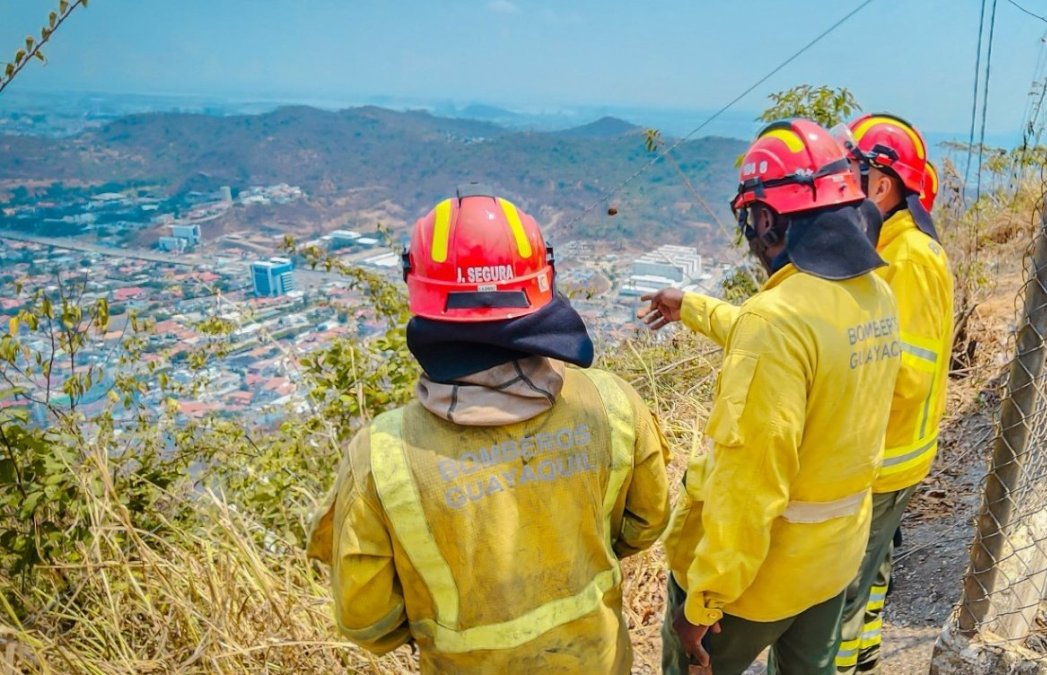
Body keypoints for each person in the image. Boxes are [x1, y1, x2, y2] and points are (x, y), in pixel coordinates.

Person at [307, 185, 672, 674]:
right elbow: (647, 522)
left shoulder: (382, 454)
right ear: (544, 280)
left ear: (418, 292)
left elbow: (366, 620)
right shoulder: (610, 402)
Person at [640, 119, 902, 675]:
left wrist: (704, 600)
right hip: (832, 563)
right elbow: (798, 347)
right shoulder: (874, 295)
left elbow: (749, 484)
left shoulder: (777, 322)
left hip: (754, 587)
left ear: (766, 218)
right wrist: (689, 306)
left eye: (750, 222)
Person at [828, 113, 954, 674]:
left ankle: (842, 662)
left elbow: (907, 375)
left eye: (850, 175)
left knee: (843, 584)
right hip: (889, 452)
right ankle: (866, 658)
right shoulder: (894, 247)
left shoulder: (909, 260)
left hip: (885, 455)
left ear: (881, 185)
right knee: (872, 568)